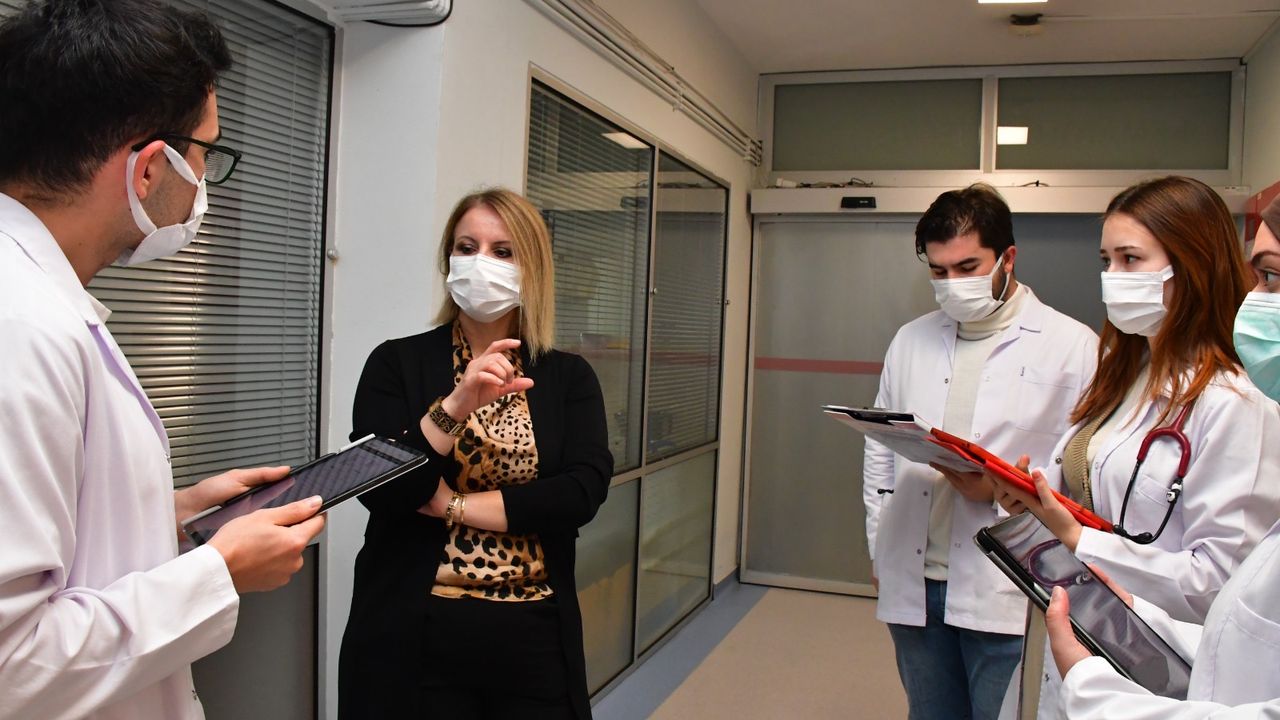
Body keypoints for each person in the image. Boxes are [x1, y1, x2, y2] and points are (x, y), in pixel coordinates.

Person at [0, 2, 326, 719]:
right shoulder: (21, 325)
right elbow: (11, 666)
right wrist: (219, 571)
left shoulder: (41, 299)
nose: (206, 178)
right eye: (206, 152)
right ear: (150, 168)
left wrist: (167, 518)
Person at [988, 176, 1280, 719]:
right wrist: (1036, 500)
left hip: (1157, 663)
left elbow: (1218, 583)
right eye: (1106, 260)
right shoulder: (1126, 373)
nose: (1112, 278)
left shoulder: (1237, 404)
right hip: (1082, 627)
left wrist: (1079, 539)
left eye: (1130, 259)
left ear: (1192, 266)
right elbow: (1093, 491)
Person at [338, 188, 613, 719]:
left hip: (533, 631)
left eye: (502, 251)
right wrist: (457, 404)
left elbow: (581, 493)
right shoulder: (396, 363)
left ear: (532, 268)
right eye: (467, 247)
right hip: (414, 634)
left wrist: (451, 505)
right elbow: (382, 489)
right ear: (449, 259)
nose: (480, 262)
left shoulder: (567, 376)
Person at [863, 183, 1098, 719]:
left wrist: (998, 488)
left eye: (968, 267)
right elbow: (880, 455)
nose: (953, 284)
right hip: (916, 580)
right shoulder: (910, 340)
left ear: (1007, 258)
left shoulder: (1074, 347)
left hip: (1011, 584)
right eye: (939, 271)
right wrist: (879, 545)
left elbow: (1085, 476)